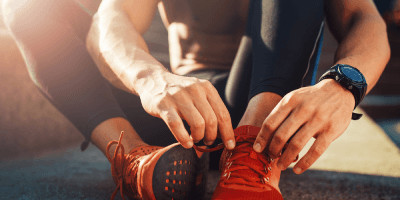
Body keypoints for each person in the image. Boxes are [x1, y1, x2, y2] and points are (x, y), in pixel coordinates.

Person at [2, 0, 389, 199]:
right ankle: (132, 158)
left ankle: (253, 159)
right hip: (179, 116)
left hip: (264, 113)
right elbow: (112, 18)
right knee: (30, 8)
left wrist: (342, 86)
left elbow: (364, 19)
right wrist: (152, 78)